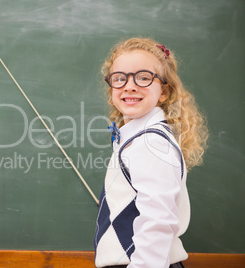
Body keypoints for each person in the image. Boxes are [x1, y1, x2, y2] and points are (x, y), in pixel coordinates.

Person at [93, 37, 208, 268]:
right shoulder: (138, 139)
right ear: (111, 88)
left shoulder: (150, 143)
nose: (130, 85)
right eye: (119, 78)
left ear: (164, 91)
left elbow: (158, 222)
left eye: (144, 77)